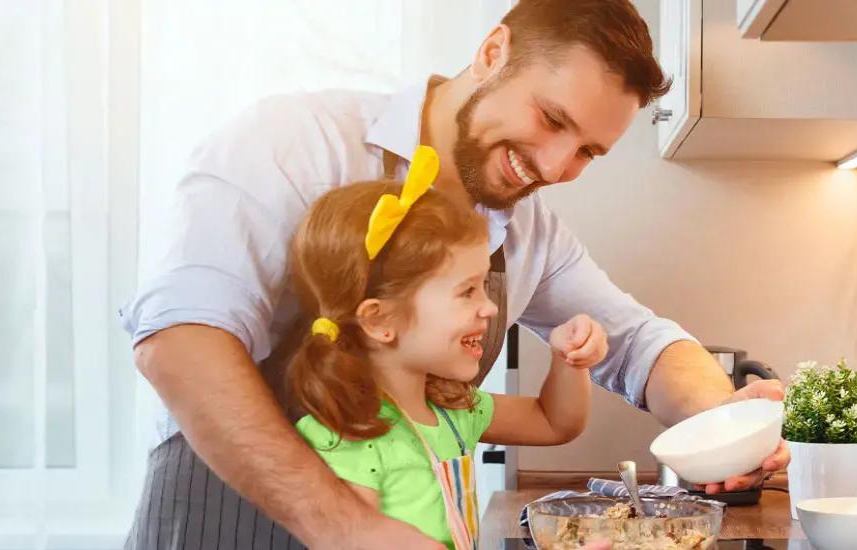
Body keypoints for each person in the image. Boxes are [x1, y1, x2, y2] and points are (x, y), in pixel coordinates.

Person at [121, 1, 787, 548]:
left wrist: (722, 422)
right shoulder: (294, 142)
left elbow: (639, 342)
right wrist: (345, 524)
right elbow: (177, 343)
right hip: (219, 526)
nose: (555, 167)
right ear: (492, 53)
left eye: (587, 150)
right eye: (552, 119)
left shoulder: (527, 232)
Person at [287, 147, 606, 549]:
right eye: (467, 291)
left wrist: (568, 360)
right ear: (379, 320)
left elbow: (554, 422)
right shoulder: (345, 435)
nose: (490, 307)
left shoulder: (453, 409)